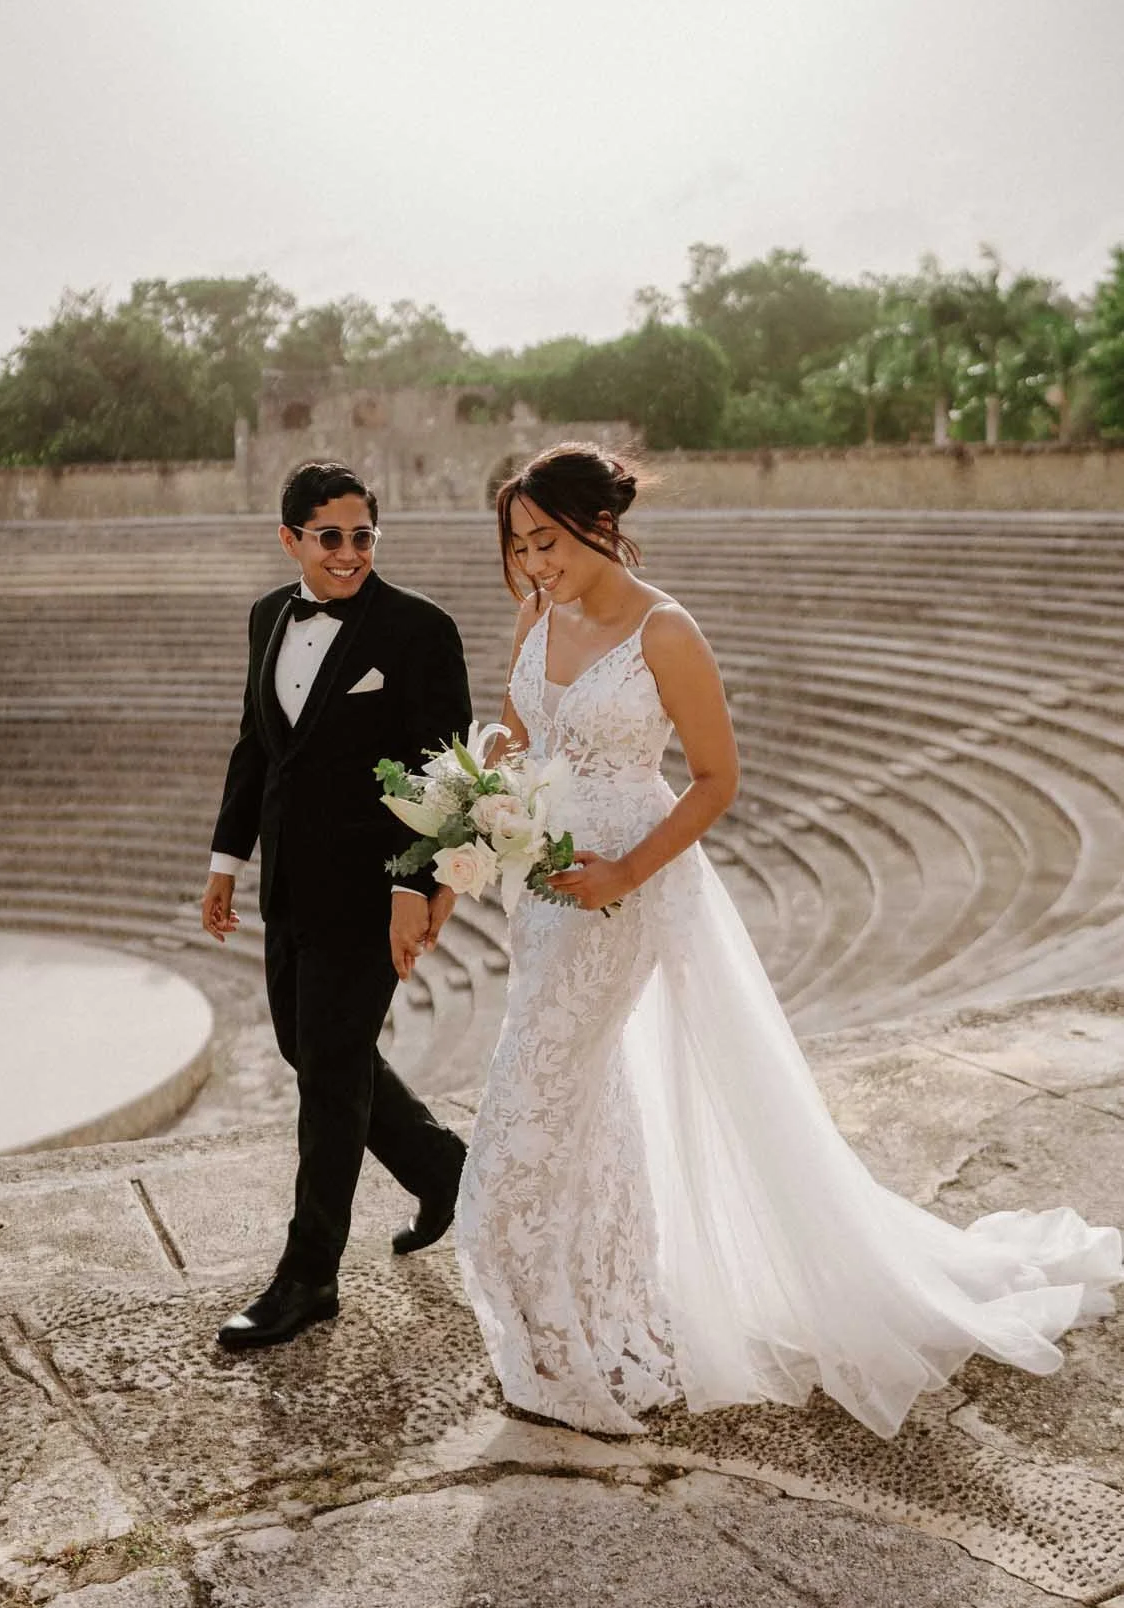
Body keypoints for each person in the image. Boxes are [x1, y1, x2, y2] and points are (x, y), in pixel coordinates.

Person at [454, 442, 1121, 1439]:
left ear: (596, 523)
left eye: (546, 541)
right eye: (517, 548)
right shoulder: (539, 613)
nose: (534, 564)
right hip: (543, 893)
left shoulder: (665, 631)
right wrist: (479, 795)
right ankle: (605, 1315)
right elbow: (520, 727)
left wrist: (624, 871)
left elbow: (718, 778)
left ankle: (568, 1332)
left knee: (522, 1112)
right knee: (588, 1100)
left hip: (621, 893)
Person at [202, 458, 472, 1350]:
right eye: (330, 537)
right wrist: (225, 862)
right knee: (306, 1046)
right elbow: (257, 748)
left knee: (326, 1070)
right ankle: (442, 1166)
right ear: (290, 539)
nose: (349, 552)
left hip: (374, 892)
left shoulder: (419, 630)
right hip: (290, 883)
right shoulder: (264, 618)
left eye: (363, 536)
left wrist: (413, 888)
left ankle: (308, 1274)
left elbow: (445, 775)